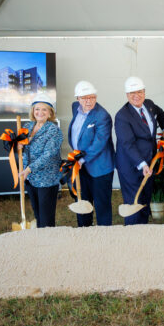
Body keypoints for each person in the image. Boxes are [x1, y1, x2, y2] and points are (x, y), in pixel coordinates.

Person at [114, 76, 164, 225]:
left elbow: (159, 112)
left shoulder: (149, 104)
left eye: (139, 92)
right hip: (131, 166)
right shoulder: (122, 116)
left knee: (145, 199)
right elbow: (127, 144)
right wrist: (142, 164)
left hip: (149, 161)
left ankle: (143, 232)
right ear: (127, 95)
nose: (136, 96)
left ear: (144, 92)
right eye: (132, 93)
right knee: (134, 201)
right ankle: (133, 235)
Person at [67, 81, 115, 227]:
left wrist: (82, 160)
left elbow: (99, 143)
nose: (88, 101)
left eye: (92, 97)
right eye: (84, 98)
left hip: (99, 167)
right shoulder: (75, 108)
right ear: (78, 99)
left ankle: (104, 236)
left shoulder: (102, 116)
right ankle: (84, 233)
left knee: (102, 206)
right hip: (80, 166)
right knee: (82, 202)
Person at [20, 92, 63, 228]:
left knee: (46, 218)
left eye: (44, 109)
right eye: (37, 109)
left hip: (47, 179)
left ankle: (49, 244)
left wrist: (29, 169)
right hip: (31, 178)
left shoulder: (54, 130)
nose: (40, 112)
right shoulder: (27, 127)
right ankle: (40, 242)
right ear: (33, 111)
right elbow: (21, 150)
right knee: (38, 214)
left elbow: (48, 155)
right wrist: (17, 145)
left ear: (50, 113)